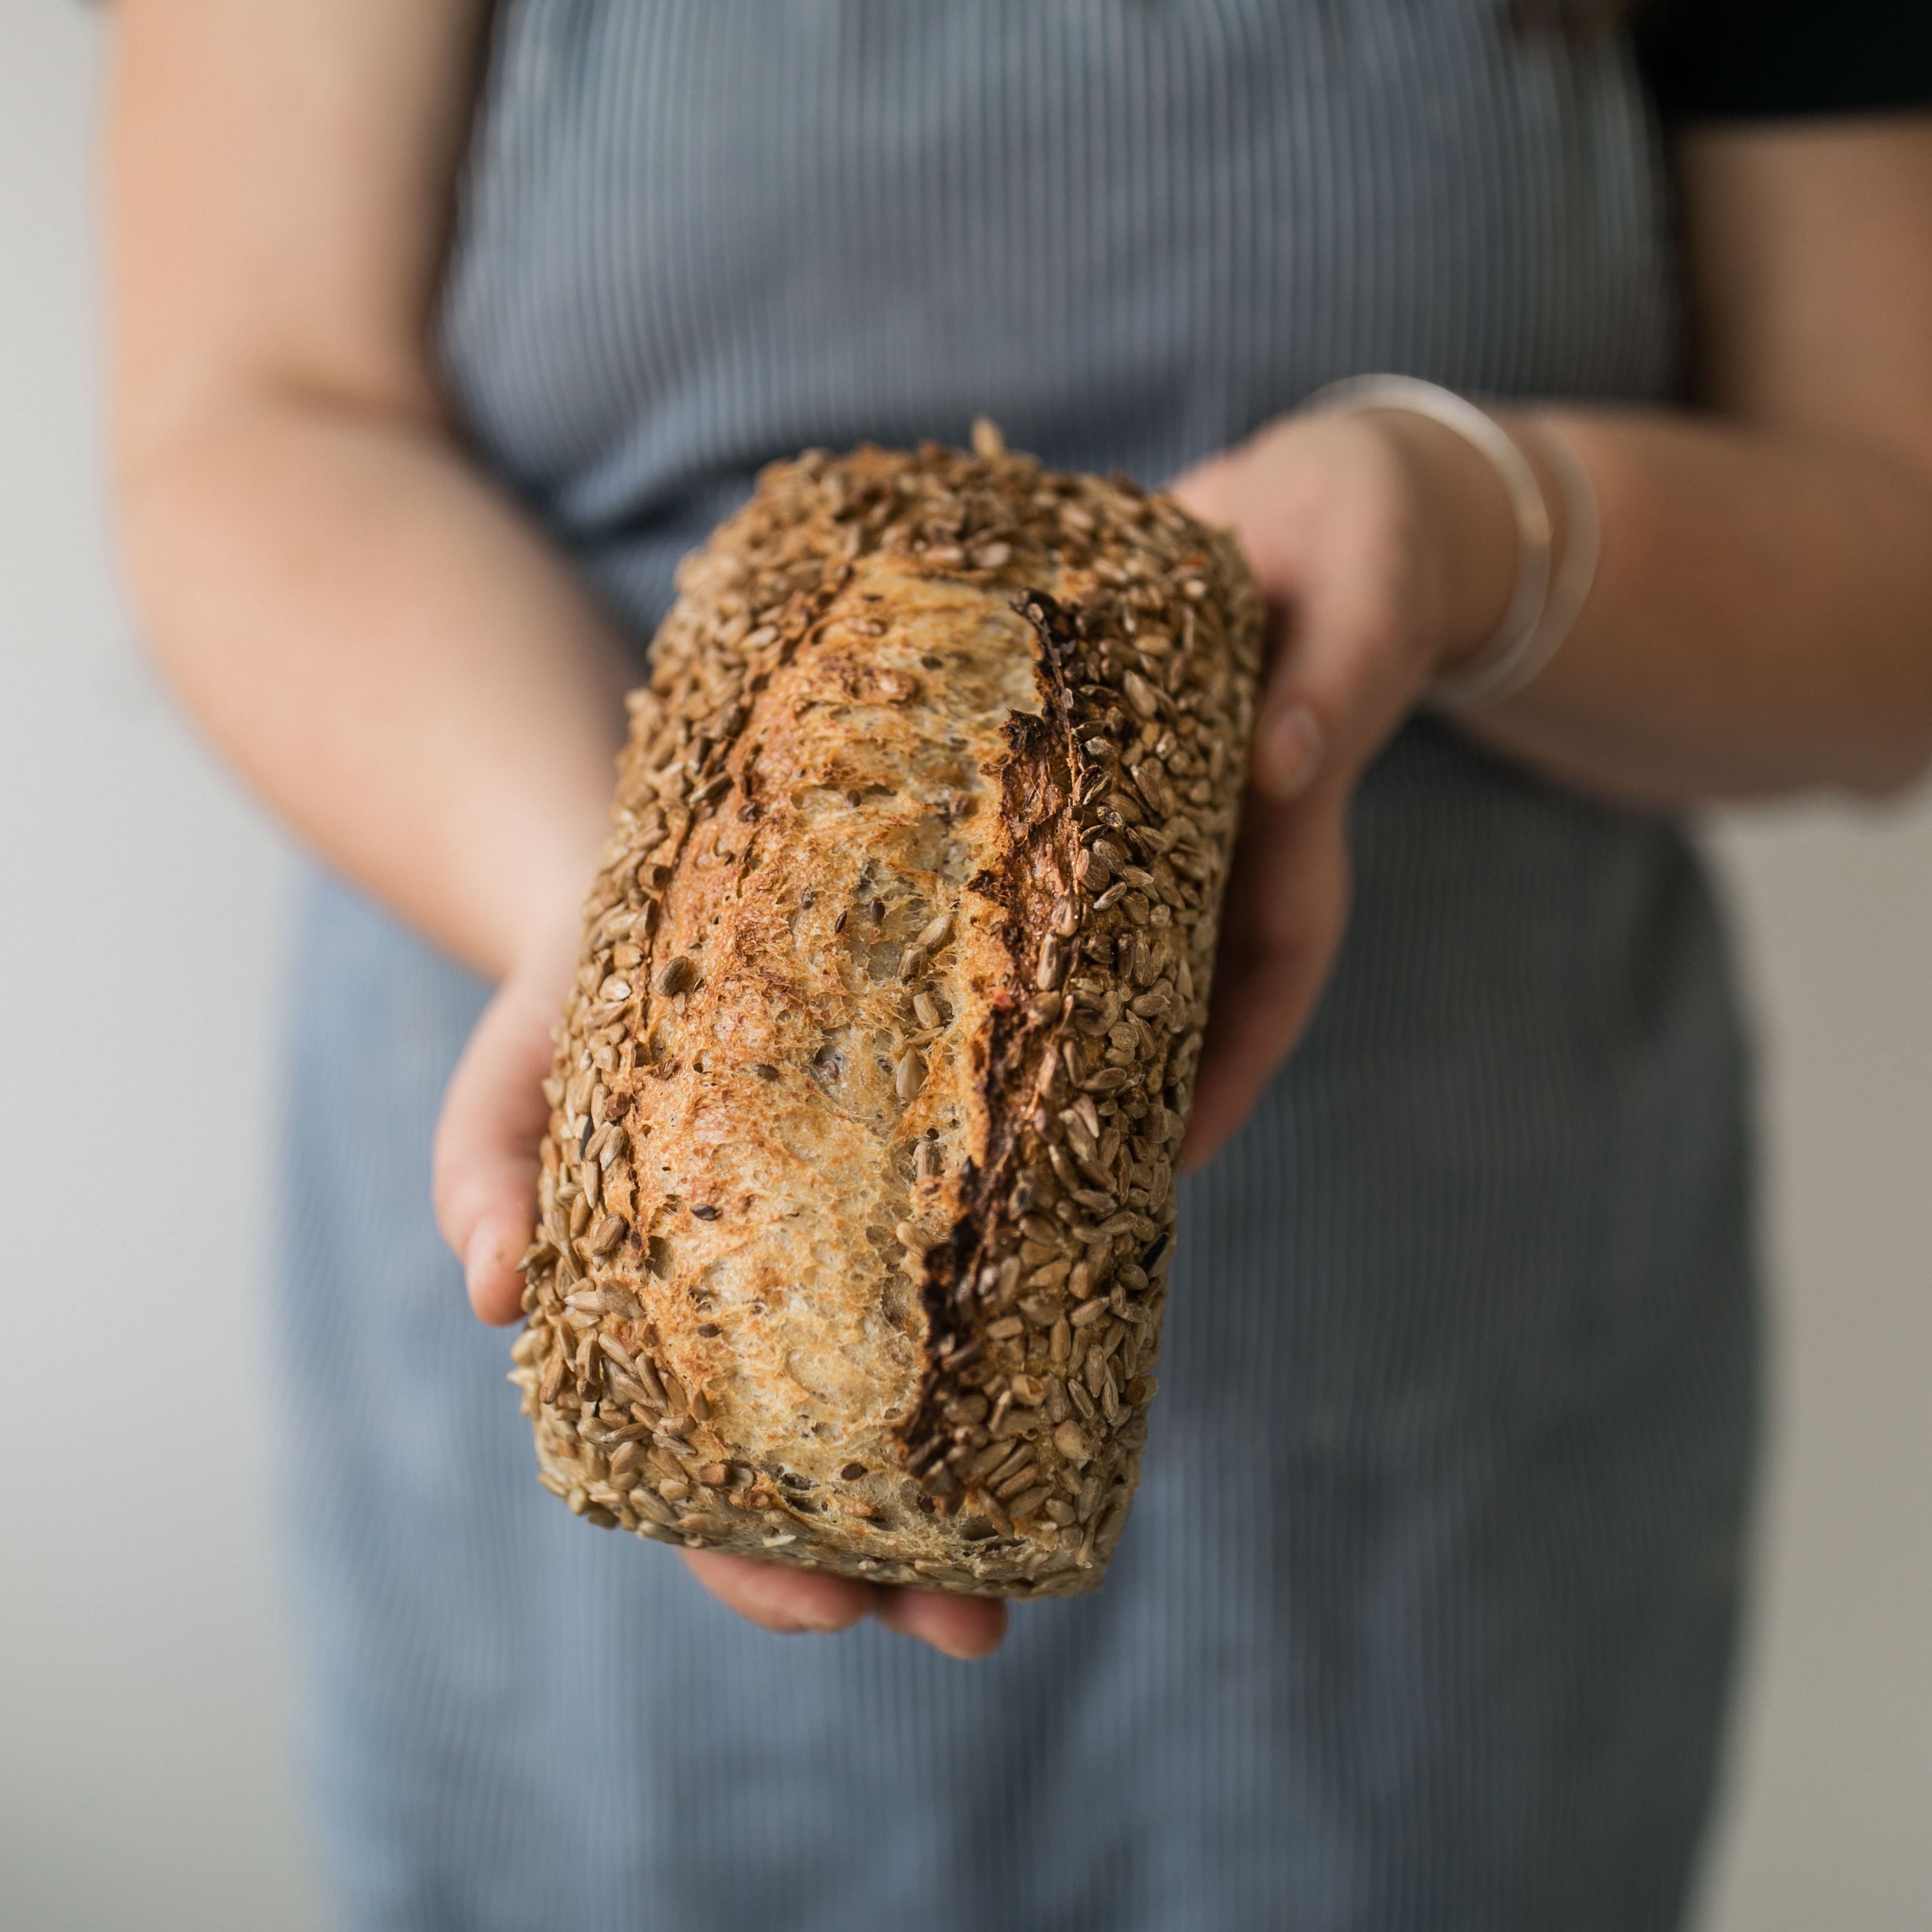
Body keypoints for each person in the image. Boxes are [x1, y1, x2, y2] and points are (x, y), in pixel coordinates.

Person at [108, 2, 1932, 1926]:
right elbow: (254, 411)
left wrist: (1466, 520)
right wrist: (648, 941)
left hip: (1439, 1437)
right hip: (606, 1279)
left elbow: (1898, 581)